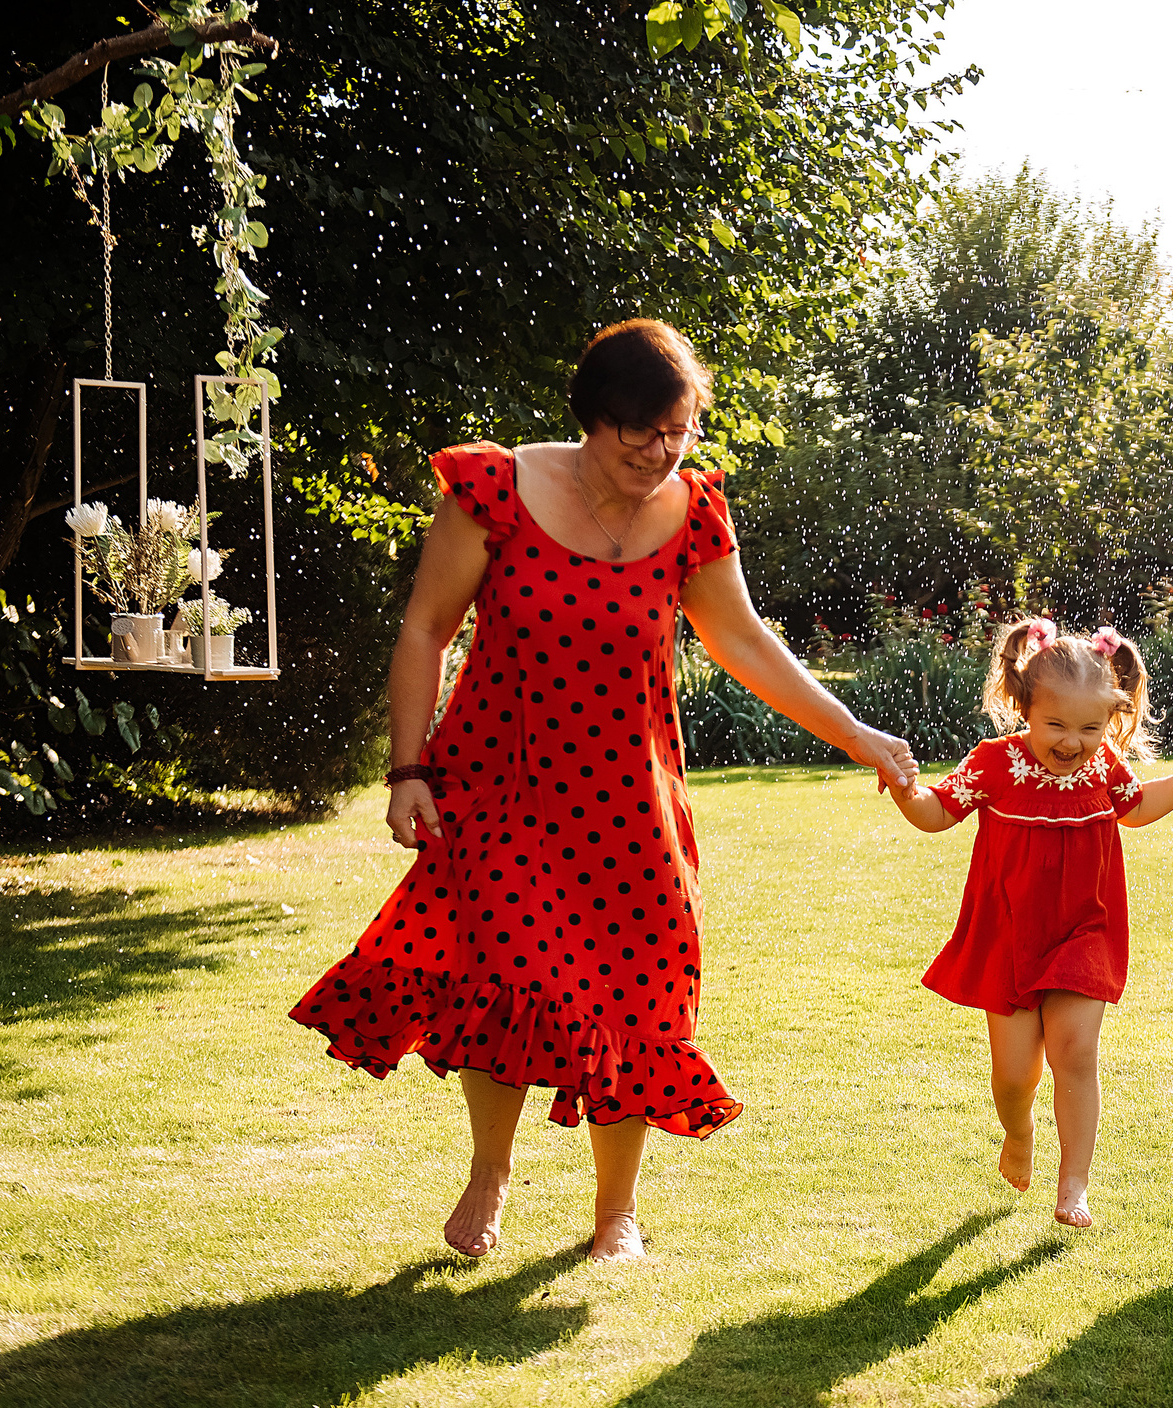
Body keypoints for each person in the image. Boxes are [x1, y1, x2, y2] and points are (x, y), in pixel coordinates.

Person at [290, 319, 919, 1261]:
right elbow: (426, 627)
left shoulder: (694, 510)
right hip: (504, 785)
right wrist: (407, 767)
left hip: (632, 803)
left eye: (678, 434)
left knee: (641, 994)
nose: (660, 454)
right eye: (640, 434)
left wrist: (859, 734)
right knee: (505, 976)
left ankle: (616, 1210)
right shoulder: (496, 489)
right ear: (594, 416)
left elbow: (743, 643)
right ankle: (492, 1169)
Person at [885, 620, 1173, 1228]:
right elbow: (935, 815)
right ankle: (1018, 1130)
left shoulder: (1102, 764)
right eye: (1057, 725)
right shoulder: (994, 763)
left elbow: (1135, 811)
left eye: (1090, 728)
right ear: (1022, 705)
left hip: (1086, 927)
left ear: (1110, 720)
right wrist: (905, 789)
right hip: (1009, 932)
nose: (1073, 742)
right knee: (1013, 1075)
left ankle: (1074, 1184)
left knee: (1076, 1050)